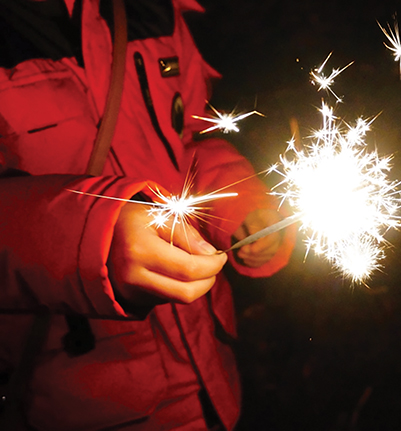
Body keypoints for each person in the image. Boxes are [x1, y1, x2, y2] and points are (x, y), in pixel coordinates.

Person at [0, 0, 295, 429]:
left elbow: (189, 136)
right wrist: (91, 241)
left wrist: (240, 207)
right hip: (73, 400)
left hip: (208, 380)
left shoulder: (150, 9)